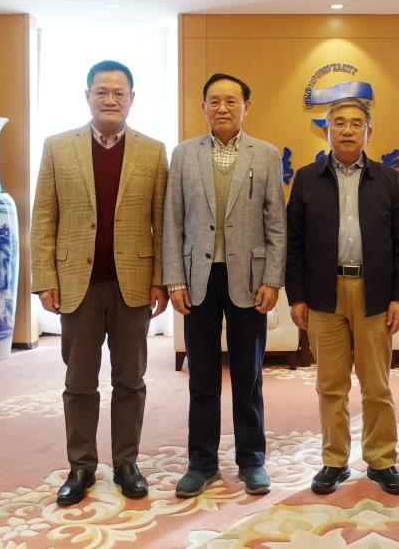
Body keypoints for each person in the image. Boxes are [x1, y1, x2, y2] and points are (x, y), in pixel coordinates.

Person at [31, 59, 168, 506]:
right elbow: (43, 217)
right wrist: (44, 278)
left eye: (119, 93)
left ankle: (127, 463)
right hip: (78, 283)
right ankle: (81, 466)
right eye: (102, 92)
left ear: (132, 98)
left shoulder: (153, 151)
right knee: (79, 381)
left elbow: (162, 222)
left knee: (130, 379)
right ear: (87, 96)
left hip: (133, 283)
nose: (110, 99)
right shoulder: (57, 147)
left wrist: (161, 280)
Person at [164, 73, 286, 498]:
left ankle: (252, 460)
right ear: (203, 107)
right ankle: (201, 463)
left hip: (249, 280)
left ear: (246, 107)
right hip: (198, 279)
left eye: (231, 101)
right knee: (202, 376)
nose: (222, 108)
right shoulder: (183, 155)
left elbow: (276, 223)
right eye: (214, 101)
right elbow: (172, 221)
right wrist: (174, 278)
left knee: (249, 375)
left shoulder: (266, 155)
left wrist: (272, 278)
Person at [286, 97, 399, 496]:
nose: (347, 130)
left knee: (377, 385)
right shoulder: (307, 179)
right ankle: (334, 460)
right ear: (326, 131)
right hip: (323, 294)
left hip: (374, 292)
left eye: (356, 123)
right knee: (330, 385)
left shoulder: (388, 180)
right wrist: (297, 296)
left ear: (368, 133)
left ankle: (381, 459)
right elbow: (294, 243)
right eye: (339, 123)